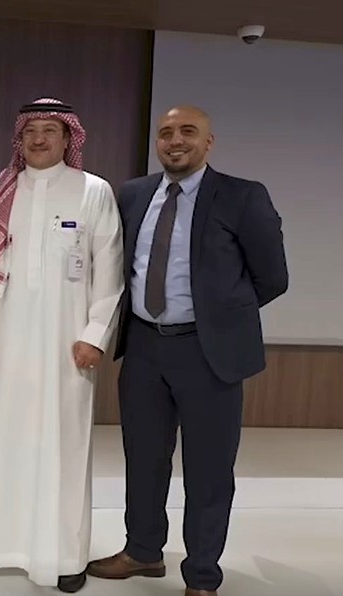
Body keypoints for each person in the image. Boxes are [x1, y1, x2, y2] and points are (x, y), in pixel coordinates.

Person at [86, 106, 288, 596]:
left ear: (209, 142)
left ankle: (201, 575)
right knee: (144, 459)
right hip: (144, 351)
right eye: (166, 133)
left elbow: (272, 278)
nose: (176, 141)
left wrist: (217, 319)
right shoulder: (132, 195)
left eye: (188, 132)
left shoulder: (243, 196)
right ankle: (143, 551)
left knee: (209, 470)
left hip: (208, 355)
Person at [0, 98, 124, 593]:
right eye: (31, 131)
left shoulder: (92, 191)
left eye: (50, 131)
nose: (38, 140)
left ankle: (64, 554)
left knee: (64, 446)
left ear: (68, 137)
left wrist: (95, 336)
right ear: (19, 137)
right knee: (3, 438)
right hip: (5, 342)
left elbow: (109, 272)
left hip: (67, 346)